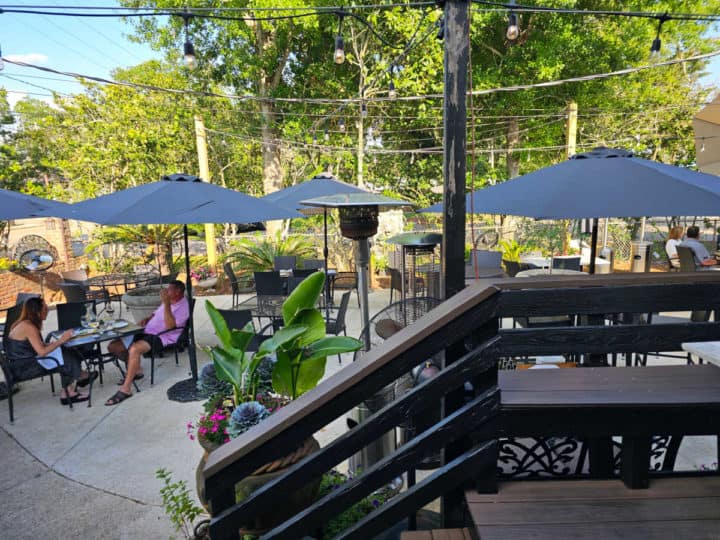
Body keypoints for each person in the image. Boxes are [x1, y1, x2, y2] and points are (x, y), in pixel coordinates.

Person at [106, 280, 189, 406]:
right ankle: (136, 371)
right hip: (147, 331)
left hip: (161, 337)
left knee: (134, 349)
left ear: (178, 292)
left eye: (170, 289)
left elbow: (170, 326)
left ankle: (126, 389)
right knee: (113, 346)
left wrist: (166, 304)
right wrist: (147, 319)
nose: (166, 291)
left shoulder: (183, 306)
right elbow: (156, 313)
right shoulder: (170, 301)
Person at [5, 297, 95, 405]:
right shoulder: (28, 327)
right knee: (65, 357)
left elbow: (31, 346)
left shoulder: (23, 323)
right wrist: (61, 340)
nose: (47, 311)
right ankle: (69, 391)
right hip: (24, 368)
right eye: (45, 309)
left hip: (20, 363)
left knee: (65, 349)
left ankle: (80, 376)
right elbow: (42, 352)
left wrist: (53, 344)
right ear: (37, 312)